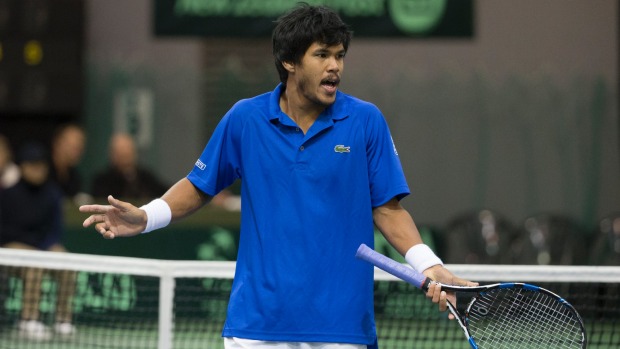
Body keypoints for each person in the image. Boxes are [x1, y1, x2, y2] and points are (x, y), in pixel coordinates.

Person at [79, 4, 475, 349]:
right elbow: (199, 186)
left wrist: (430, 265)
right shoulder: (245, 119)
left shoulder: (365, 121)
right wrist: (147, 217)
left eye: (339, 55)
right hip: (257, 325)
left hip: (340, 325)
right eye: (321, 54)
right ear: (289, 61)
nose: (334, 65)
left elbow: (387, 210)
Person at [0, 141, 76, 340]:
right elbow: (4, 232)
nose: (38, 169)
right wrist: (32, 249)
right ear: (23, 167)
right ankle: (28, 320)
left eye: (41, 165)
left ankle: (63, 320)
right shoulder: (7, 195)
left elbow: (55, 229)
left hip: (41, 247)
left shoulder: (53, 194)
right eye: (33, 165)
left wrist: (44, 248)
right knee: (34, 264)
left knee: (67, 263)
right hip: (10, 249)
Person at [90, 133, 168, 200]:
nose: (125, 156)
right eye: (121, 154)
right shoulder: (102, 181)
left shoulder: (145, 176)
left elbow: (165, 192)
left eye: (128, 153)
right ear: (113, 155)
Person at [49, 123, 87, 201]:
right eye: (74, 148)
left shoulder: (75, 178)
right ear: (58, 143)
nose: (78, 152)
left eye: (80, 149)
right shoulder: (43, 171)